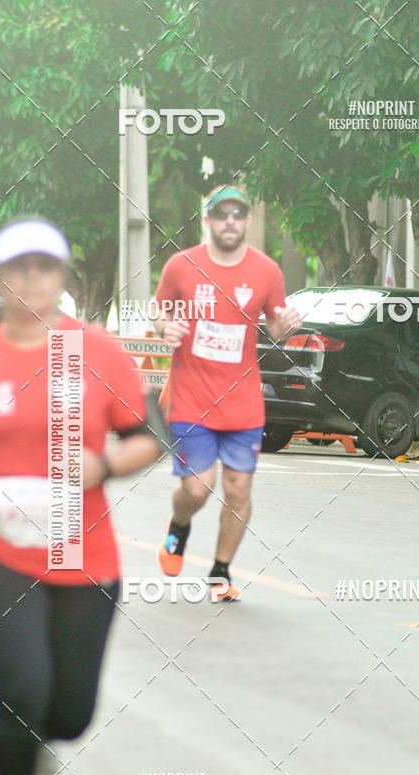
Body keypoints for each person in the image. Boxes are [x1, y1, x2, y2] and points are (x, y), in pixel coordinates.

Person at [0, 216, 160, 775]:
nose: (32, 279)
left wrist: (103, 464)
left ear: (61, 277)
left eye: (45, 267)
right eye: (18, 267)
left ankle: (41, 746)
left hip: (85, 557)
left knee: (70, 712)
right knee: (22, 691)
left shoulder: (96, 352)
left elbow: (149, 435)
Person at [152, 185, 301, 601]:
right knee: (197, 488)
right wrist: (166, 327)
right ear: (208, 220)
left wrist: (286, 325)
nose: (230, 221)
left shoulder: (267, 271)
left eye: (238, 213)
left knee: (238, 490)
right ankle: (179, 525)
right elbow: (159, 308)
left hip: (243, 404)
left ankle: (220, 572)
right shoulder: (181, 266)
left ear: (248, 220)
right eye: (222, 214)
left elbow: (275, 326)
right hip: (191, 399)